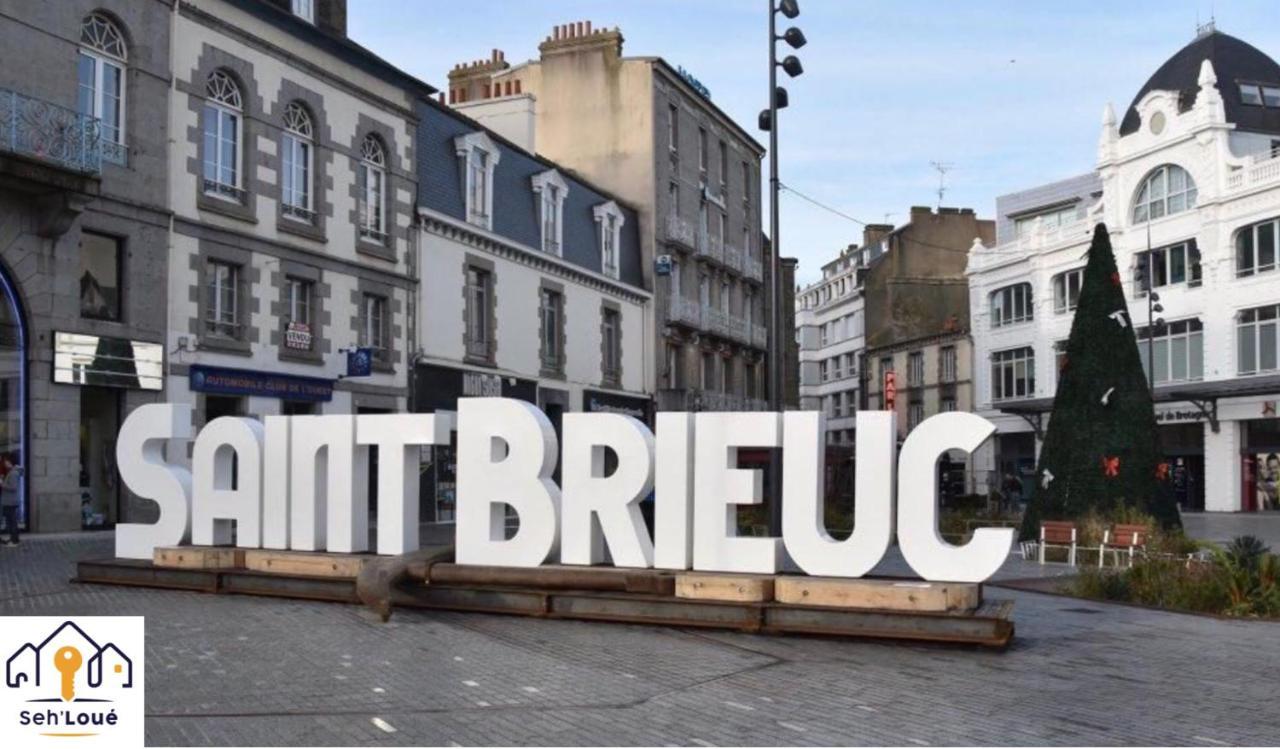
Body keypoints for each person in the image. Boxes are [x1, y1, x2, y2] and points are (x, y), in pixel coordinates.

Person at [0, 454, 22, 546]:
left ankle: (14, 540)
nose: (4, 463)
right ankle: (13, 539)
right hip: (10, 501)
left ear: (10, 462)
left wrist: (1, 484)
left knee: (11, 521)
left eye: (6, 462)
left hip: (10, 501)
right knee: (11, 521)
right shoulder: (12, 472)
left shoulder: (13, 473)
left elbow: (13, 487)